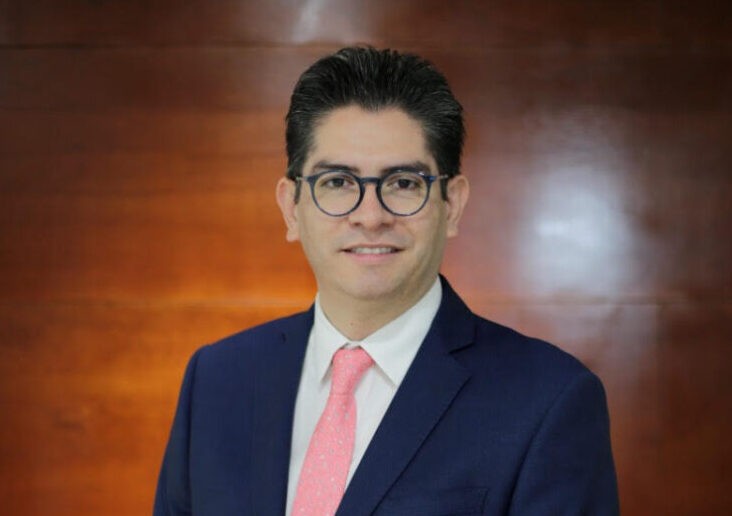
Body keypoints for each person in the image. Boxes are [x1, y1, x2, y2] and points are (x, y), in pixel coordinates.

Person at [154, 46, 619, 516]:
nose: (371, 217)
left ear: (452, 205)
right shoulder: (217, 380)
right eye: (338, 182)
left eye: (403, 183)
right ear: (292, 207)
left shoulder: (547, 400)